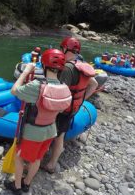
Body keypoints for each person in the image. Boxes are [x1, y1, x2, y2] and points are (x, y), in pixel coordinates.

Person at [4, 49, 72, 195]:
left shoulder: (37, 86)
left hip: (33, 132)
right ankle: (27, 183)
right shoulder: (63, 87)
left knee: (19, 157)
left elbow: (14, 91)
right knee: (37, 158)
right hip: (51, 130)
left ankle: (16, 187)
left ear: (44, 65)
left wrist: (26, 72)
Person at [42, 37, 98, 173]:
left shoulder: (67, 68)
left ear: (65, 49)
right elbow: (94, 84)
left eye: (62, 49)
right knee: (61, 133)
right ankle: (52, 157)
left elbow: (59, 91)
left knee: (55, 134)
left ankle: (50, 163)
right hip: (73, 108)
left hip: (63, 110)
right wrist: (82, 99)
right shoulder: (81, 64)